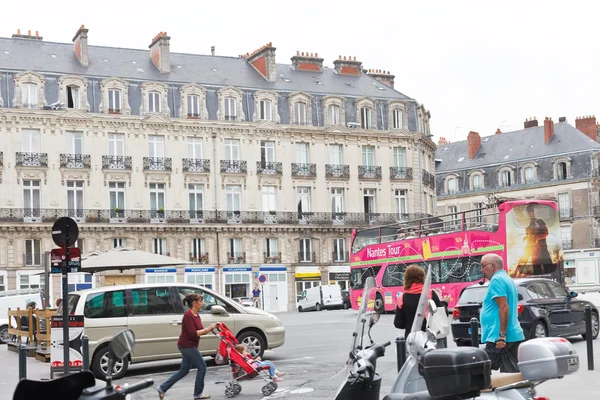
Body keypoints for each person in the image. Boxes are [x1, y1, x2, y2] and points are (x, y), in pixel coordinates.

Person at [157, 294, 220, 400]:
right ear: (194, 303)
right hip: (187, 345)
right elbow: (193, 333)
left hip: (189, 345)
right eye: (200, 301)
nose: (202, 303)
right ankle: (198, 394)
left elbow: (201, 331)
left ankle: (162, 388)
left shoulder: (196, 315)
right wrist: (209, 328)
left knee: (184, 371)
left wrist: (212, 327)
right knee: (202, 366)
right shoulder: (188, 315)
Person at [480, 253, 525, 372]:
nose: (481, 270)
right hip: (512, 334)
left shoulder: (496, 280)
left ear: (492, 266)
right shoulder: (506, 278)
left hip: (498, 336)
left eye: (483, 266)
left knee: (479, 368)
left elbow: (504, 307)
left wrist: (501, 336)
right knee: (511, 374)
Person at [394, 264, 443, 339]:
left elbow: (398, 324)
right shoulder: (430, 294)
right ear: (422, 278)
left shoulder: (401, 298)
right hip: (428, 339)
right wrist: (444, 302)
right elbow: (442, 316)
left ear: (406, 278)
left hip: (410, 340)